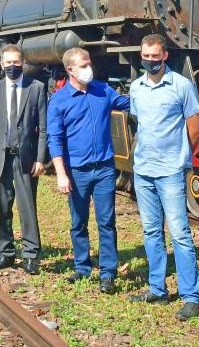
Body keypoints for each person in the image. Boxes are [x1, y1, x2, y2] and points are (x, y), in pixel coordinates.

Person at [127, 33, 199, 320]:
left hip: (170, 170)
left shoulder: (182, 86)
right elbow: (140, 124)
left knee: (180, 233)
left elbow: (194, 129)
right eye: (145, 57)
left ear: (165, 56)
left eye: (155, 57)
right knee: (150, 231)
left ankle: (191, 296)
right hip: (143, 169)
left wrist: (180, 158)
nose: (150, 61)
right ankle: (157, 288)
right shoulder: (136, 88)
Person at [47, 47, 130, 294]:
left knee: (107, 221)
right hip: (77, 171)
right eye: (83, 65)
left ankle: (108, 272)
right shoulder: (59, 100)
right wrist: (61, 173)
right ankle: (82, 266)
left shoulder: (103, 90)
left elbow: (129, 104)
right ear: (70, 69)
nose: (88, 68)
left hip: (104, 168)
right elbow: (55, 139)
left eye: (89, 63)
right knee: (78, 221)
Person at [0, 44, 47, 275]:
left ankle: (30, 254)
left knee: (28, 207)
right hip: (0, 157)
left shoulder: (36, 88)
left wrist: (40, 158)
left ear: (23, 62)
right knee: (1, 207)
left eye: (16, 62)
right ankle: (4, 253)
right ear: (2, 64)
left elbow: (43, 129)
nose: (12, 66)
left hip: (25, 157)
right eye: (8, 62)